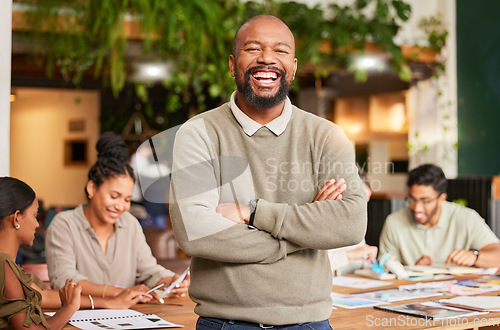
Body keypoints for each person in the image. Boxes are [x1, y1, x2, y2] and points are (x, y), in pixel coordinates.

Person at [169, 15, 367, 329]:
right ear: (233, 65)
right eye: (253, 48)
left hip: (310, 323)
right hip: (225, 324)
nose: (267, 58)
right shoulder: (198, 133)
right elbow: (195, 232)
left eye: (280, 50)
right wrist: (302, 233)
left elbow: (350, 224)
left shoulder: (327, 136)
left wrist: (253, 212)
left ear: (294, 66)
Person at [45, 132, 189, 302]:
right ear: (91, 188)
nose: (121, 206)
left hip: (127, 317)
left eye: (127, 199)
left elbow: (149, 271)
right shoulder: (64, 224)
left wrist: (170, 280)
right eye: (114, 196)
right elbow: (64, 279)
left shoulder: (130, 224)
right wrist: (116, 293)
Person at [0, 177, 152, 330]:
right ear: (17, 218)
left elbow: (43, 296)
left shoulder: (9, 266)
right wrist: (69, 308)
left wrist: (111, 302)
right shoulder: (4, 266)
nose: (37, 224)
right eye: (35, 215)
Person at [379, 163, 500, 267]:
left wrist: (475, 257)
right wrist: (413, 271)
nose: (417, 208)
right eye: (412, 199)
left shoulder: (466, 218)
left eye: (426, 201)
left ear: (442, 198)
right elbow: (385, 269)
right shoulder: (394, 222)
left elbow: (497, 254)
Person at [328, 168, 378, 275]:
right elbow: (314, 267)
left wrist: (377, 264)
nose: (362, 211)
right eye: (360, 205)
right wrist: (349, 255)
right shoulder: (322, 223)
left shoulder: (356, 224)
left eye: (366, 204)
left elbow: (360, 262)